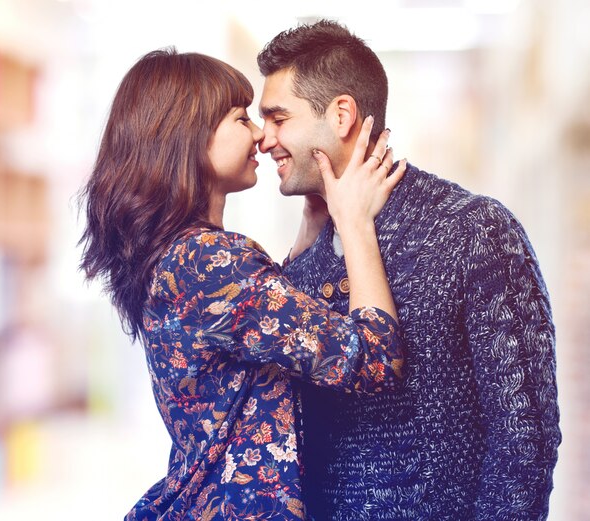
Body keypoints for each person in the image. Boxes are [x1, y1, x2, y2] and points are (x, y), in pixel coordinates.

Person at [78, 48, 408, 520]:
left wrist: (312, 224)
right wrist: (354, 223)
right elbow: (375, 359)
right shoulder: (211, 262)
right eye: (240, 118)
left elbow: (267, 329)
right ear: (187, 137)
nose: (259, 134)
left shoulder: (181, 257)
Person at [257, 19, 561, 521]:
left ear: (341, 115)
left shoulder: (472, 230)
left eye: (278, 118)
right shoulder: (305, 259)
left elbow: (524, 440)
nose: (264, 139)